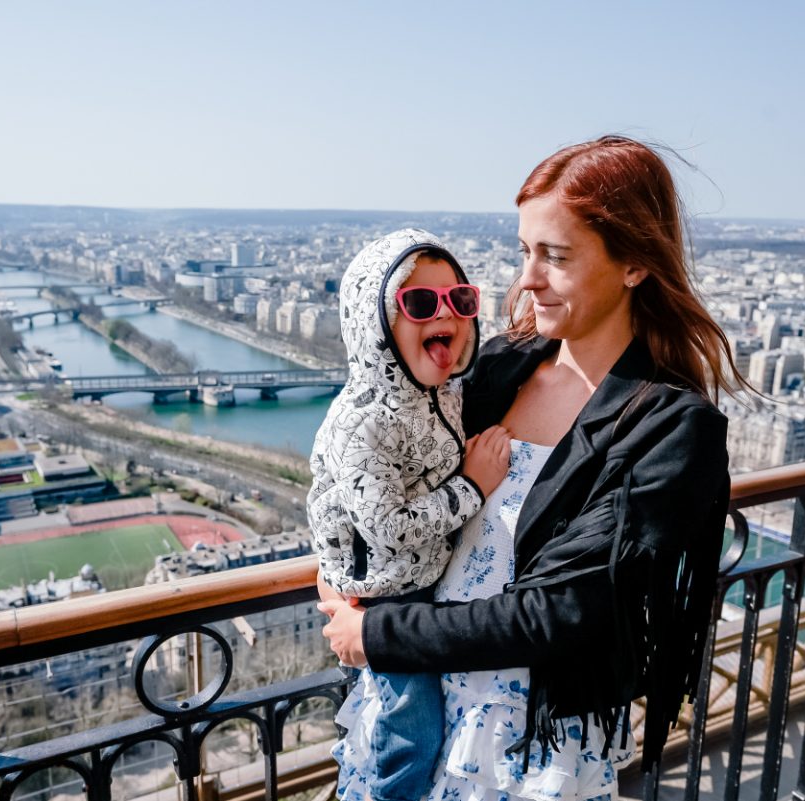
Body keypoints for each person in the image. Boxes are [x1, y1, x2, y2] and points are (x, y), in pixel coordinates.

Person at [321, 136, 745, 801]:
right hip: (419, 707)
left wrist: (377, 633)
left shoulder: (669, 427)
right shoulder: (498, 368)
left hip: (527, 740)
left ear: (634, 263)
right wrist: (343, 577)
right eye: (525, 251)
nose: (526, 279)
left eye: (555, 256)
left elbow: (560, 609)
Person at [308, 228, 511, 801]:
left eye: (460, 301)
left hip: (421, 585)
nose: (444, 314)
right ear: (375, 322)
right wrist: (474, 485)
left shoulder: (442, 390)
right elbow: (389, 530)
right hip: (386, 595)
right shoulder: (361, 423)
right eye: (420, 303)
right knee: (410, 735)